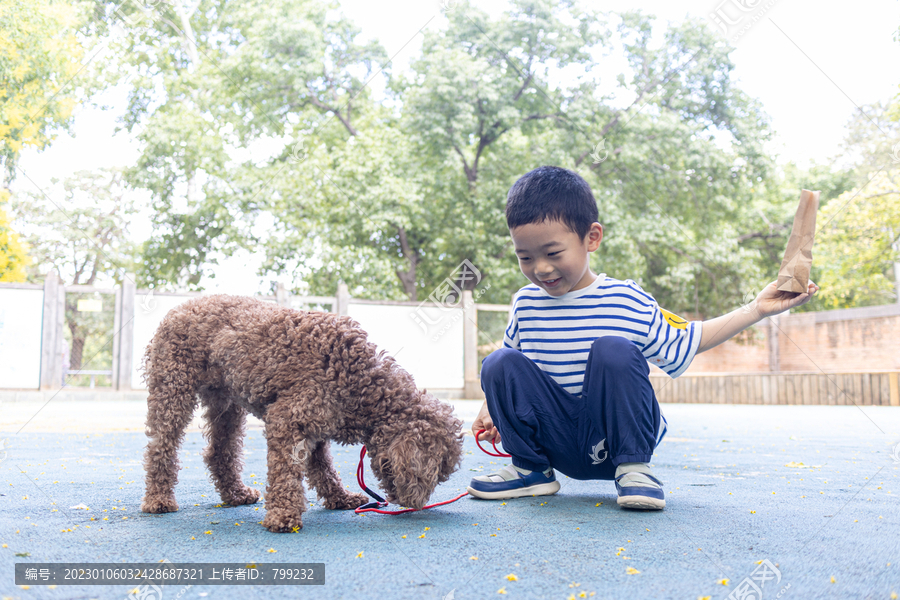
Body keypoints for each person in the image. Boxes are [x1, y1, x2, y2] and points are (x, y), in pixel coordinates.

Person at [467, 166, 819, 510]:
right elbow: (511, 372)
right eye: (525, 257)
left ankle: (634, 469)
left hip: (612, 439)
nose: (540, 268)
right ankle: (531, 470)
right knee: (497, 361)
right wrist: (490, 409)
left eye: (553, 253)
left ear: (592, 237)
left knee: (612, 350)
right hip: (555, 440)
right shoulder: (525, 303)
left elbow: (690, 339)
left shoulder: (625, 299)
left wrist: (756, 309)